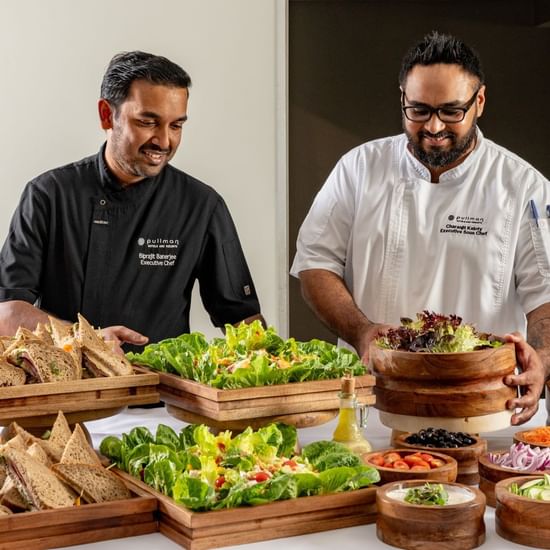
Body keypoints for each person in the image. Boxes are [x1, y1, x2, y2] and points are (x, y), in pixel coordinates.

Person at [291, 31, 550, 425]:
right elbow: (314, 266)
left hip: (484, 411)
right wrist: (362, 331)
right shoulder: (359, 169)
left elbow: (545, 295)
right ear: (402, 99)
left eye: (450, 111)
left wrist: (542, 361)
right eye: (419, 110)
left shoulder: (524, 186)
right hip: (371, 407)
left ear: (479, 101)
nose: (432, 127)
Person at [0, 51, 264, 351]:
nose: (164, 142)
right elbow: (7, 312)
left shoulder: (202, 206)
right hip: (70, 390)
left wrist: (271, 374)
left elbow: (244, 320)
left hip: (162, 395)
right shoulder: (49, 195)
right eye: (148, 122)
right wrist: (90, 340)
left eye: (176, 126)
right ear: (106, 115)